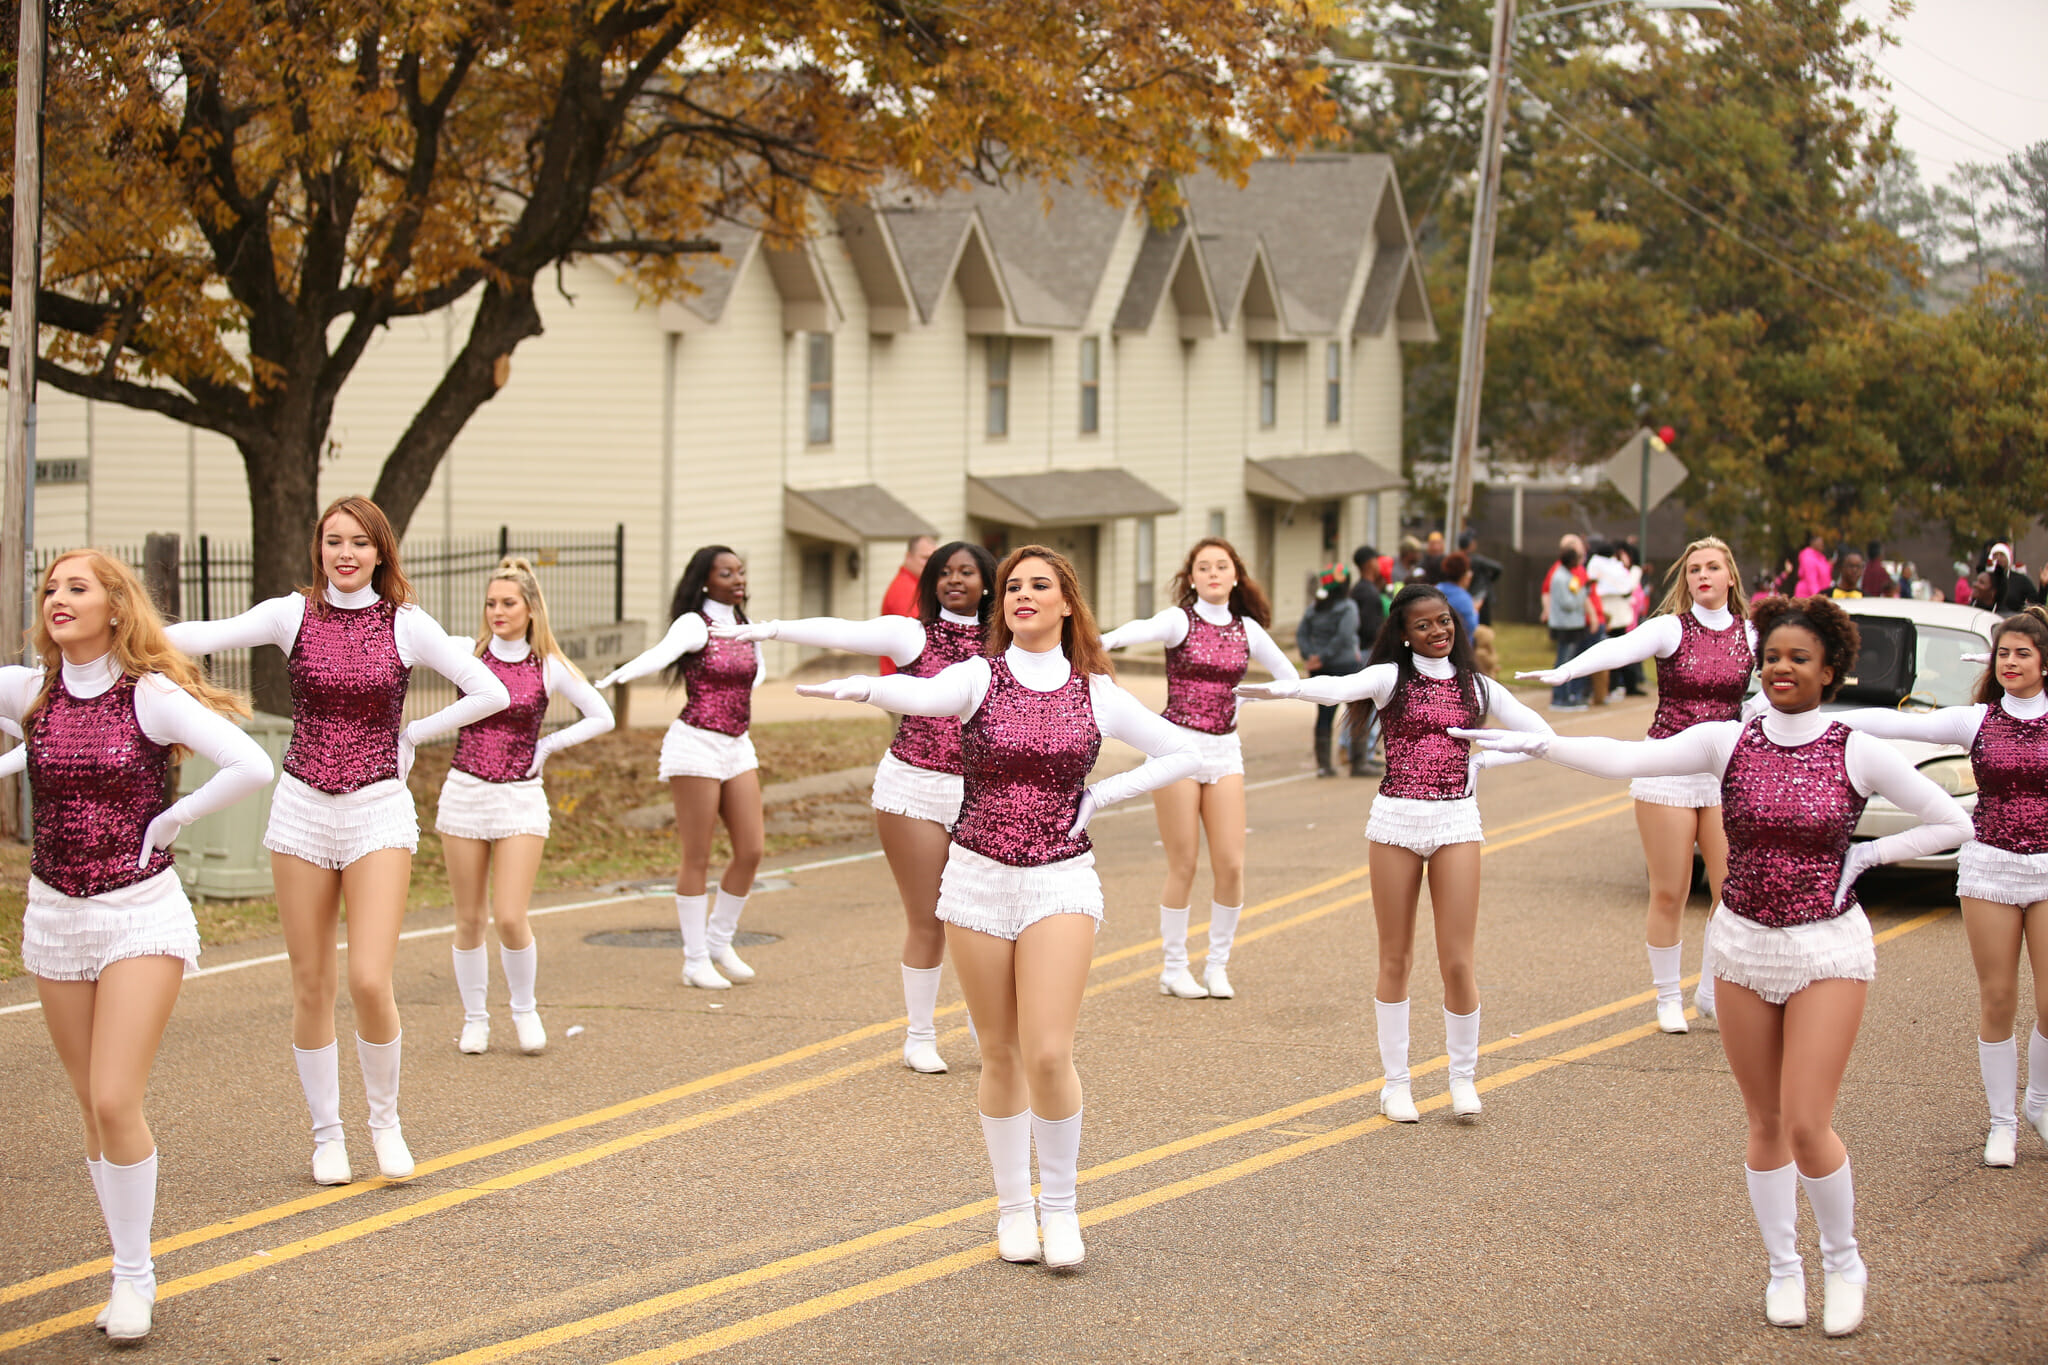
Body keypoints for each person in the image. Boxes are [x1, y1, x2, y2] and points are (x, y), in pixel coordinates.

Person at [1458, 596, 1969, 1338]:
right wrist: (1545, 745)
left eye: (1799, 657)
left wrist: (1868, 853)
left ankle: (1844, 1259)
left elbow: (1951, 819)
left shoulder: (1855, 746)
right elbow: (1629, 759)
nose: (1782, 667)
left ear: (1831, 669)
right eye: (1772, 656)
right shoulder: (1728, 739)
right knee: (1763, 1122)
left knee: (1805, 1121)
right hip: (1740, 947)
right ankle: (1783, 1268)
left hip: (1826, 948)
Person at [795, 546, 1198, 1268]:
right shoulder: (979, 674)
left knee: (1048, 1050)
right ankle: (1013, 1209)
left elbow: (1181, 752)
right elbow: (920, 697)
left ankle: (1062, 1208)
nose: (1023, 594)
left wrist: (1101, 796)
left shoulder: (1095, 690)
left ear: (1067, 603)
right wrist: (862, 688)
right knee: (1000, 1051)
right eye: (1013, 585)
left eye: (1040, 585)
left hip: (1061, 881)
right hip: (976, 880)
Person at [166, 496, 511, 1186]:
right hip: (300, 808)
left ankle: (384, 1121)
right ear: (318, 549)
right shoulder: (288, 614)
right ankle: (327, 1134)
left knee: (367, 979)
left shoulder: (407, 624)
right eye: (333, 541)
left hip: (377, 808)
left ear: (381, 552)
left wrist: (414, 732)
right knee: (311, 983)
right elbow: (198, 637)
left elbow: (490, 690)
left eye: (359, 542)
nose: (345, 553)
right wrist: (121, 626)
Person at [3, 551, 274, 1342]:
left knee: (116, 1096)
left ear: (115, 607)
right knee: (92, 1102)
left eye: (76, 588)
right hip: (54, 914)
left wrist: (175, 818)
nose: (58, 598)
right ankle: (123, 1259)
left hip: (140, 914)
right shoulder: (31, 691)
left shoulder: (149, 695)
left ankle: (135, 1275)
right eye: (50, 588)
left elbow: (250, 761)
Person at [1238, 584, 1552, 1123]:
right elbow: (1336, 687)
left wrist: (1482, 764)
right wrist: (1286, 690)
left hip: (1456, 820)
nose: (1438, 631)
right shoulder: (1390, 679)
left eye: (1444, 621)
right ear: (1403, 636)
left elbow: (1541, 736)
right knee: (1395, 957)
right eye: (1424, 625)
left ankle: (1462, 1078)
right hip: (1395, 824)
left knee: (1457, 960)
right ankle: (1396, 1084)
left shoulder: (1478, 686)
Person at [711, 541, 998, 1072]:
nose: (954, 581)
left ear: (988, 583)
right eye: (944, 573)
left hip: (983, 794)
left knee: (978, 918)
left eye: (967, 572)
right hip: (913, 787)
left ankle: (986, 1029)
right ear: (930, 582)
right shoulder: (913, 633)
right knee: (929, 917)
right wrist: (772, 629)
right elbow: (841, 630)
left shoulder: (1006, 642)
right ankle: (920, 1035)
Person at [1830, 607, 2048, 1168]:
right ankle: (2001, 1122)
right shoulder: (1975, 721)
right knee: (1998, 998)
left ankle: (2039, 1103)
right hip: (1989, 869)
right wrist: (1812, 715)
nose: (2011, 663)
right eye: (2004, 653)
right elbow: (1898, 724)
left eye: (2023, 653)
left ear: (2045, 661)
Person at [1518, 537, 1757, 1032]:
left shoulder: (1753, 635)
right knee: (1670, 891)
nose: (1703, 576)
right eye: (1694, 570)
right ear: (1685, 579)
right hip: (1665, 769)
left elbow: (1786, 679)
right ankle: (1667, 997)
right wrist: (1567, 671)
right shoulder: (1672, 628)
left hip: (1724, 774)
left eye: (1713, 568)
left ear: (1730, 576)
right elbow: (1616, 647)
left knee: (1733, 891)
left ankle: (1711, 986)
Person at [1100, 538, 1298, 999]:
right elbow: (1134, 631)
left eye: (1221, 566)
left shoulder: (1248, 629)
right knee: (1184, 862)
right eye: (1203, 567)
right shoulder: (1178, 620)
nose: (1212, 573)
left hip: (1225, 751)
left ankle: (1217, 964)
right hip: (1177, 748)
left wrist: (1252, 694)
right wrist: (1097, 642)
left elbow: (1289, 679)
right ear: (1191, 578)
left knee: (1230, 863)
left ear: (1235, 576)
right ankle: (1173, 967)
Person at [438, 559, 615, 1057]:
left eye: (508, 603)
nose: (497, 611)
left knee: (510, 916)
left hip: (519, 798)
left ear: (531, 609)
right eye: (491, 603)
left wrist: (547, 746)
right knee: (469, 918)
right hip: (464, 793)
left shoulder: (549, 666)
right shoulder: (465, 654)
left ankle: (523, 1009)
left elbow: (601, 716)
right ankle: (475, 1019)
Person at [596, 546, 765, 990]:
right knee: (699, 854)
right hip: (696, 744)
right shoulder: (695, 624)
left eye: (740, 571)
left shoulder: (748, 626)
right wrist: (618, 676)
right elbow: (660, 655)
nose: (737, 579)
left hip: (737, 744)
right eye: (726, 573)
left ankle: (719, 941)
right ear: (706, 582)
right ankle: (693, 960)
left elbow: (757, 674)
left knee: (751, 849)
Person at [1296, 564, 1361, 776]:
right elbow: (1344, 636)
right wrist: (1322, 657)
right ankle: (1358, 763)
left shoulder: (1314, 608)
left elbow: (1301, 634)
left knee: (1324, 715)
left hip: (1321, 670)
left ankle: (1324, 765)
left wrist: (1312, 656)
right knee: (1357, 713)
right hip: (1346, 666)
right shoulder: (1348, 607)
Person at [878, 536, 937, 675]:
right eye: (925, 558)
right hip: (901, 680)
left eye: (933, 559)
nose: (930, 564)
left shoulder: (918, 586)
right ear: (908, 557)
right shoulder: (905, 589)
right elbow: (920, 636)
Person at [1546, 545, 1591, 710]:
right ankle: (1559, 698)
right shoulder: (1560, 577)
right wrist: (1584, 592)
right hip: (1565, 625)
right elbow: (1568, 603)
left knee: (1568, 660)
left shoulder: (1567, 575)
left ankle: (1566, 695)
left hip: (1572, 624)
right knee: (1563, 661)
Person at [1434, 552, 1479, 641]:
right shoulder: (1464, 599)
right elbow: (1472, 627)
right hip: (1458, 647)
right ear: (1464, 574)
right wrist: (1475, 611)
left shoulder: (1435, 590)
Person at [1795, 533, 1834, 598]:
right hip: (1808, 595)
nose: (1822, 544)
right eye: (1820, 542)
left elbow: (1823, 574)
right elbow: (1811, 579)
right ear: (1813, 543)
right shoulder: (1808, 557)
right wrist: (1817, 596)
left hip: (1820, 593)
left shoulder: (1820, 557)